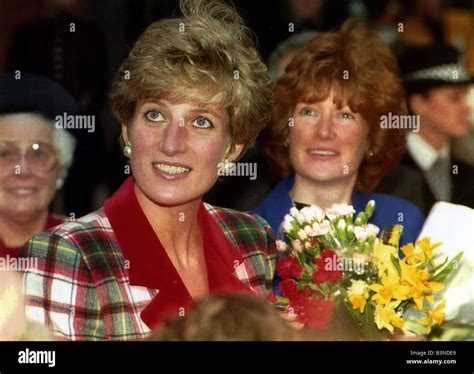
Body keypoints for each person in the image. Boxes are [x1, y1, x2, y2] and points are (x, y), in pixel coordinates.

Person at [21, 0, 275, 341]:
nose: (172, 143)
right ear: (127, 130)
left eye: (201, 121)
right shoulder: (70, 255)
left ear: (233, 149)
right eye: (156, 115)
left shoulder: (251, 241)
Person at [254, 18, 425, 246]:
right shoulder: (249, 233)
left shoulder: (403, 225)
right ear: (286, 129)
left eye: (345, 115)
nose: (324, 132)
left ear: (372, 138)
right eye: (309, 112)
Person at [377, 44, 474, 215]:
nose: (467, 108)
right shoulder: (384, 170)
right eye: (454, 98)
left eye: (465, 97)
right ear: (418, 104)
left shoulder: (467, 173)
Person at [0, 74, 77, 258]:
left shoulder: (85, 249)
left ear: (60, 169)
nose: (23, 170)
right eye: (4, 153)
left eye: (39, 153)